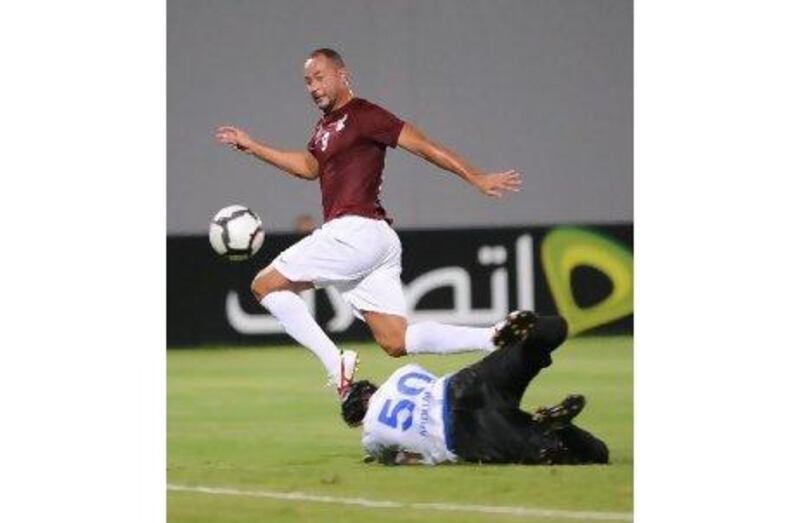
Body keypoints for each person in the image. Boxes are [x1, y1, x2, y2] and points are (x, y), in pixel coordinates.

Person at [215, 48, 524, 399]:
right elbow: (308, 167)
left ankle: (336, 364)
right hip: (376, 240)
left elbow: (423, 146)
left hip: (355, 232)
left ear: (341, 74)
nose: (313, 87)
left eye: (320, 77)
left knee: (264, 286)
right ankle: (494, 336)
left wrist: (475, 177)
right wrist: (253, 146)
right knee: (396, 340)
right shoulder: (323, 128)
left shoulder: (364, 114)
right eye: (307, 81)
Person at [341, 312, 609, 466]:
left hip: (468, 433)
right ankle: (528, 330)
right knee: (548, 333)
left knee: (592, 454)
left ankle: (557, 427)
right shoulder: (402, 373)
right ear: (371, 388)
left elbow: (399, 458)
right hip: (469, 384)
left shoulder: (370, 435)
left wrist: (385, 457)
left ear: (358, 419)